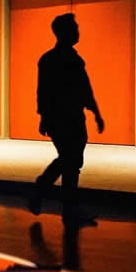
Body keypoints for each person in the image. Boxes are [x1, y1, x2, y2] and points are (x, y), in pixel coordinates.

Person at [28, 13, 104, 220]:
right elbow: (47, 91)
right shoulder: (64, 60)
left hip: (67, 117)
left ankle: (65, 205)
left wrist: (94, 111)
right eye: (75, 29)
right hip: (65, 118)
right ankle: (46, 191)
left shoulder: (59, 59)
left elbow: (80, 89)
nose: (78, 32)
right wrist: (95, 112)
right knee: (71, 160)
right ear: (65, 32)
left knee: (72, 161)